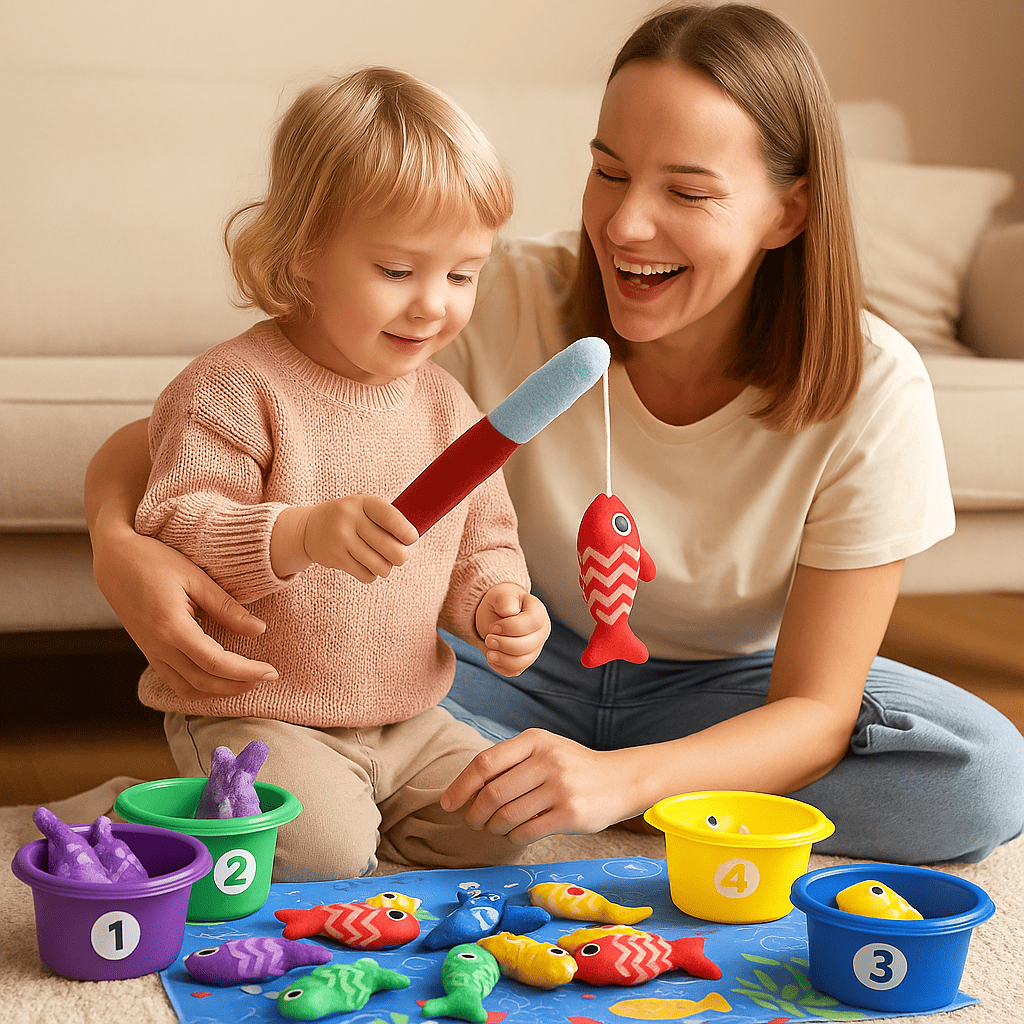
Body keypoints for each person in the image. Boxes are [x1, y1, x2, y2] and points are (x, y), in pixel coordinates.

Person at [87, 5, 1024, 867]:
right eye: (608, 170)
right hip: (502, 679)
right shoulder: (474, 294)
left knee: (977, 774)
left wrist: (627, 779)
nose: (624, 223)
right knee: (329, 732)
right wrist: (119, 545)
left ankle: (582, 790)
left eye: (687, 192)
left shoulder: (873, 384)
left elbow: (815, 710)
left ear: (788, 211)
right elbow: (190, 428)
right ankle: (355, 797)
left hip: (719, 690)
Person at [102, 66, 551, 882]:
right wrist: (298, 533)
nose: (433, 306)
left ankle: (324, 807)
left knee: (505, 824)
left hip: (408, 718)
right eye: (397, 270)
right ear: (305, 249)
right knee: (319, 856)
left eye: (462, 274)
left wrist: (498, 604)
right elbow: (176, 524)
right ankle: (171, 809)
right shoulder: (234, 386)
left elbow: (482, 538)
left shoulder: (447, 404)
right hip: (261, 714)